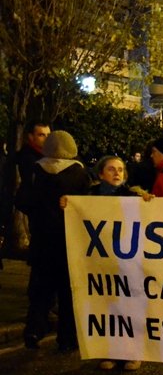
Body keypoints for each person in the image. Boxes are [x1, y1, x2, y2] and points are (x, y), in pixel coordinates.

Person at [63, 156, 152, 370]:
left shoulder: (133, 196)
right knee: (106, 306)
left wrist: (149, 201)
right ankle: (109, 351)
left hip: (128, 262)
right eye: (111, 169)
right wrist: (68, 204)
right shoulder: (89, 197)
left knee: (130, 306)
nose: (117, 173)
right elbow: (77, 217)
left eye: (120, 170)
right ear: (101, 173)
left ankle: (132, 352)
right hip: (101, 263)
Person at [20, 130, 91, 351]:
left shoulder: (35, 171)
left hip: (42, 240)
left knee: (40, 290)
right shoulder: (79, 173)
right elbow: (88, 205)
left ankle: (34, 329)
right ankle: (67, 338)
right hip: (68, 241)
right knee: (67, 291)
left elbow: (22, 201)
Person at [3, 121, 50, 259]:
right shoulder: (28, 157)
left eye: (48, 134)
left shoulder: (46, 155)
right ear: (31, 137)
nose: (47, 138)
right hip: (35, 206)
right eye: (42, 135)